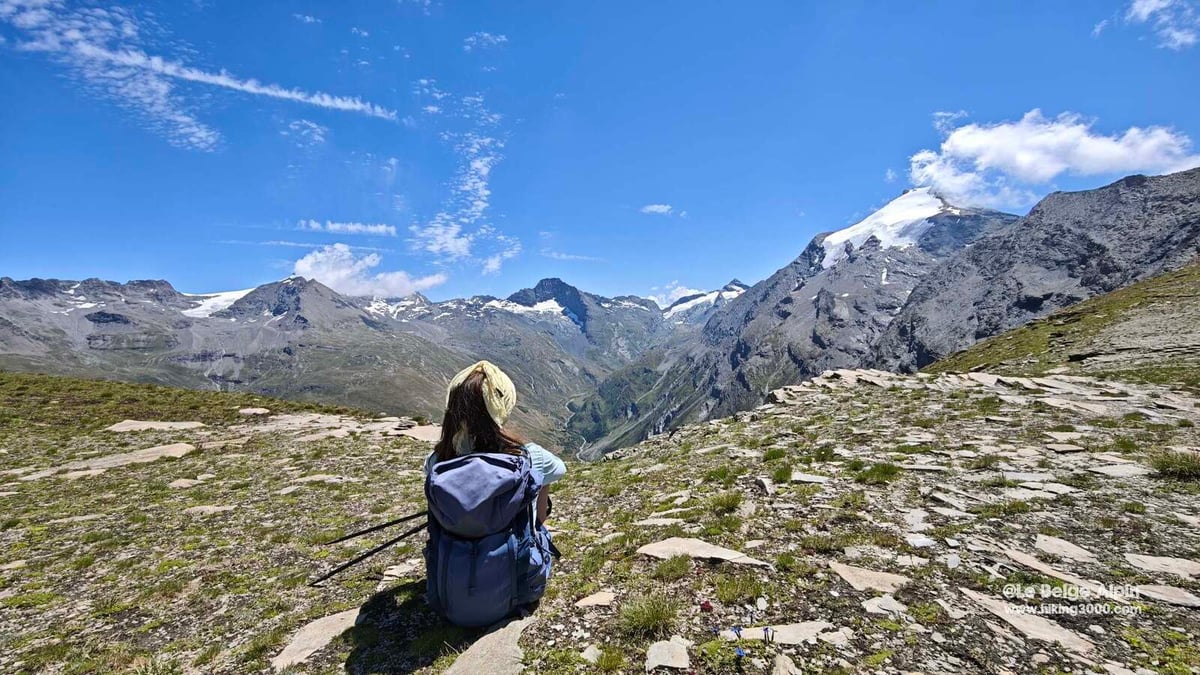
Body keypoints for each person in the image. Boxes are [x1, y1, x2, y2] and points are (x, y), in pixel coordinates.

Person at [422, 360, 566, 627]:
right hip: (519, 593)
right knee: (539, 487)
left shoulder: (437, 464)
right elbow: (559, 468)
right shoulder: (528, 456)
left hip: (447, 599)